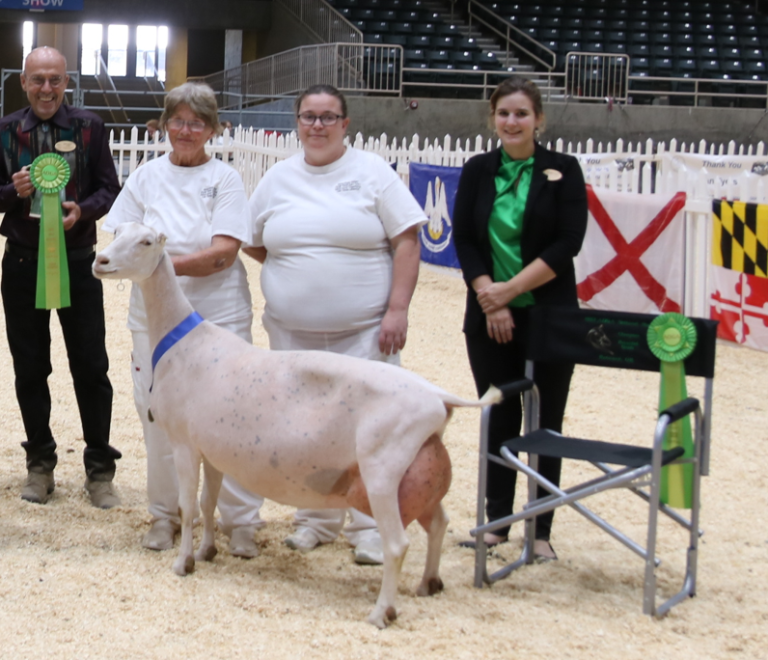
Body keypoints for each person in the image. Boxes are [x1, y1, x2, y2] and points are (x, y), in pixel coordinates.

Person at [246, 84, 426, 565]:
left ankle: (370, 524)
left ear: (346, 124)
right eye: (309, 116)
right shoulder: (277, 178)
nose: (318, 126)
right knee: (305, 428)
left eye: (328, 117)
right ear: (297, 123)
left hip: (366, 332)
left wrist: (397, 309)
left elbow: (407, 241)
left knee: (369, 427)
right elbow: (255, 241)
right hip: (292, 335)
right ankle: (315, 520)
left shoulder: (372, 173)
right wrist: (294, 272)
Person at [103, 82, 265, 558]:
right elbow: (122, 239)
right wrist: (146, 263)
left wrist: (157, 264)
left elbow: (223, 253)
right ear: (164, 125)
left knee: (233, 414)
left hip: (218, 314)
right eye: (178, 120)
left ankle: (240, 523)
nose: (186, 130)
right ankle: (165, 514)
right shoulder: (146, 177)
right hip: (153, 321)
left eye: (197, 122)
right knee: (158, 415)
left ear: (212, 129)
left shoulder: (227, 179)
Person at [453, 76, 588, 562]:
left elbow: (567, 243)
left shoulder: (564, 170)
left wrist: (510, 291)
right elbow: (464, 241)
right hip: (488, 315)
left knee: (546, 421)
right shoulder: (476, 170)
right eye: (504, 113)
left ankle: (542, 527)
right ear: (493, 118)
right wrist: (490, 296)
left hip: (549, 316)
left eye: (521, 114)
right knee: (499, 413)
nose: (512, 122)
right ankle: (497, 520)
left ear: (539, 120)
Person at [0, 47, 122, 508]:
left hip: (78, 261)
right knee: (30, 367)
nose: (46, 89)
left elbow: (110, 187)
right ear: (24, 82)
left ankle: (99, 470)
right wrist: (15, 190)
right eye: (38, 80)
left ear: (66, 81)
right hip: (22, 264)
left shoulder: (90, 127)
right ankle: (40, 464)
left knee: (92, 366)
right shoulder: (5, 131)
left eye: (54, 80)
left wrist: (82, 211)